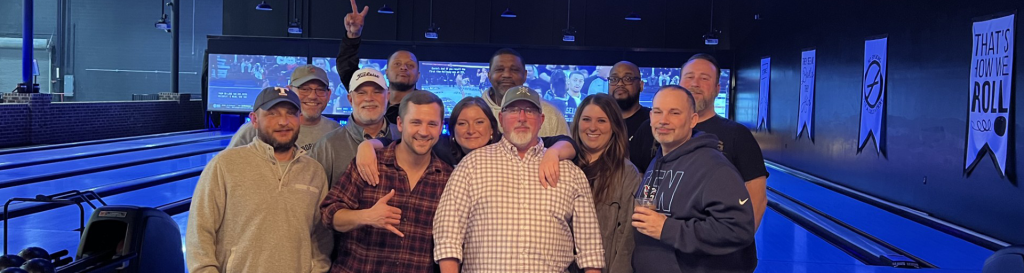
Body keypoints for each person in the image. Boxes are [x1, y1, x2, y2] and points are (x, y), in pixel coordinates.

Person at [433, 86, 604, 273]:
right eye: (513, 110)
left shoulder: (570, 173)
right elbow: (447, 233)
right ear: (500, 119)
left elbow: (590, 248)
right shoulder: (471, 166)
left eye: (529, 111)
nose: (522, 117)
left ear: (541, 120)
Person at [186, 87, 331, 273]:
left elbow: (321, 238)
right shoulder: (224, 165)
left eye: (291, 114)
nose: (283, 121)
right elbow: (199, 232)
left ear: (299, 118)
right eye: (272, 114)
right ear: (254, 119)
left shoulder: (314, 171)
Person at [631, 54, 770, 230]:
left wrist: (736, 245)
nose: (695, 83)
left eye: (704, 78)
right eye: (689, 77)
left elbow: (757, 198)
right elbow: (639, 178)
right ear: (679, 82)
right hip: (660, 248)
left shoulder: (738, 135)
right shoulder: (651, 129)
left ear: (717, 88)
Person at [319, 91, 452, 273]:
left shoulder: (448, 178)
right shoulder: (370, 163)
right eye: (415, 122)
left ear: (440, 127)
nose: (423, 131)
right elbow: (329, 214)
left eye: (432, 124)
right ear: (400, 124)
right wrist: (366, 216)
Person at [631, 85, 756, 273]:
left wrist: (668, 229)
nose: (663, 120)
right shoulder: (658, 161)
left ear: (693, 120)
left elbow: (738, 229)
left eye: (674, 113)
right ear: (650, 118)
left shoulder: (714, 167)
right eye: (657, 112)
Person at [353, 96, 578, 189]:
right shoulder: (441, 147)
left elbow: (564, 141)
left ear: (493, 127)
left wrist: (553, 153)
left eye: (479, 122)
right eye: (462, 124)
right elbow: (397, 140)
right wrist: (366, 146)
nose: (471, 130)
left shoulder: (510, 146)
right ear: (451, 130)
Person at [570, 94, 641, 273]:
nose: (592, 127)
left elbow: (628, 237)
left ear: (614, 127)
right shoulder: (564, 168)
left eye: (602, 120)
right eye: (586, 119)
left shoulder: (627, 173)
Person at [309, 67, 400, 186]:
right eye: (361, 92)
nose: (369, 98)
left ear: (387, 96)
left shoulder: (404, 138)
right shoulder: (327, 146)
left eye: (377, 91)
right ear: (350, 99)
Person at [337, 0, 421, 124]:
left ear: (418, 75)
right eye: (397, 64)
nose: (403, 68)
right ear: (386, 72)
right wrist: (353, 35)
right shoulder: (372, 96)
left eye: (410, 65)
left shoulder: (424, 104)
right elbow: (346, 67)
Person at [228, 65, 341, 152]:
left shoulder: (336, 131)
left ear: (329, 94)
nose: (312, 96)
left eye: (320, 90)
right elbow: (227, 167)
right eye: (304, 89)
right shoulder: (256, 129)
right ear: (289, 90)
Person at [480, 48, 569, 137]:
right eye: (499, 69)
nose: (507, 75)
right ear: (489, 75)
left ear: (525, 75)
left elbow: (567, 148)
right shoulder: (475, 112)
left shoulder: (551, 113)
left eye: (514, 70)